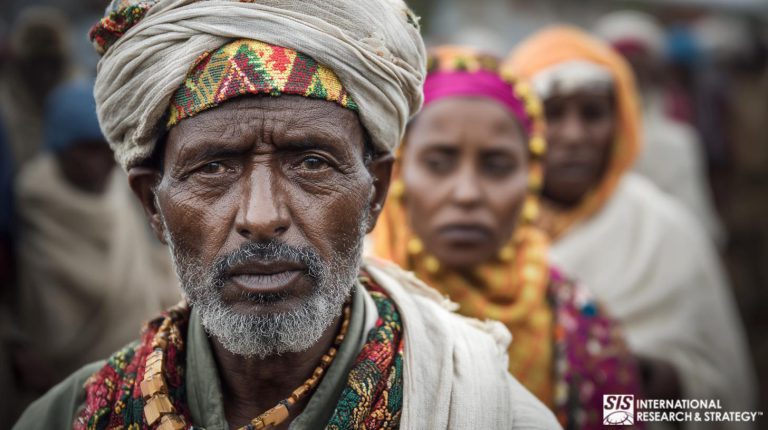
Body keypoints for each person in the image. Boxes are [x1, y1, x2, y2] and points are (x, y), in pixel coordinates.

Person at [14, 1, 561, 429]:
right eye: (214, 168)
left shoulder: (490, 415)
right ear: (152, 205)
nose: (261, 216)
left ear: (376, 193)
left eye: (312, 163)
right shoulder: (71, 416)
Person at [369, 45, 642, 429]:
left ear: (531, 177)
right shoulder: (351, 313)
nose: (467, 193)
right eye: (438, 163)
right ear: (397, 173)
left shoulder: (583, 328)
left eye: (497, 166)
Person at [504, 26, 755, 426]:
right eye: (553, 113)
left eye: (592, 114)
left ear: (620, 122)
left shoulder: (666, 230)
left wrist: (640, 391)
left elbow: (726, 397)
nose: (574, 135)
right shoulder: (486, 224)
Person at [11, 79, 179, 403]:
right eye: (84, 150)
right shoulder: (32, 202)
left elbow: (152, 263)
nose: (98, 164)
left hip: (139, 369)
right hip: (59, 379)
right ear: (59, 148)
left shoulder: (124, 191)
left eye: (105, 150)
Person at [594, 11, 724, 245]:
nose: (631, 75)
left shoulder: (677, 141)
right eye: (622, 66)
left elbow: (695, 223)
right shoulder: (586, 139)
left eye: (638, 65)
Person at [0, 7, 72, 167]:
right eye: (37, 63)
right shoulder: (4, 104)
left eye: (52, 64)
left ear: (64, 63)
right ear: (18, 64)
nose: (44, 75)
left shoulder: (79, 93)